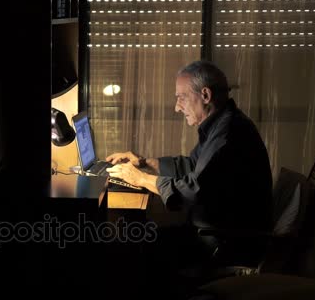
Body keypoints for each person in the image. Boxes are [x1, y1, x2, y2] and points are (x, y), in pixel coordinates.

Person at [106, 61, 273, 263]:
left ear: (205, 95)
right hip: (213, 233)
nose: (177, 108)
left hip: (224, 244)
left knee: (133, 247)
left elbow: (194, 190)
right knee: (135, 237)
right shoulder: (221, 124)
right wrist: (143, 163)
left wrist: (141, 179)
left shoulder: (227, 135)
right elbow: (193, 166)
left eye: (181, 98)